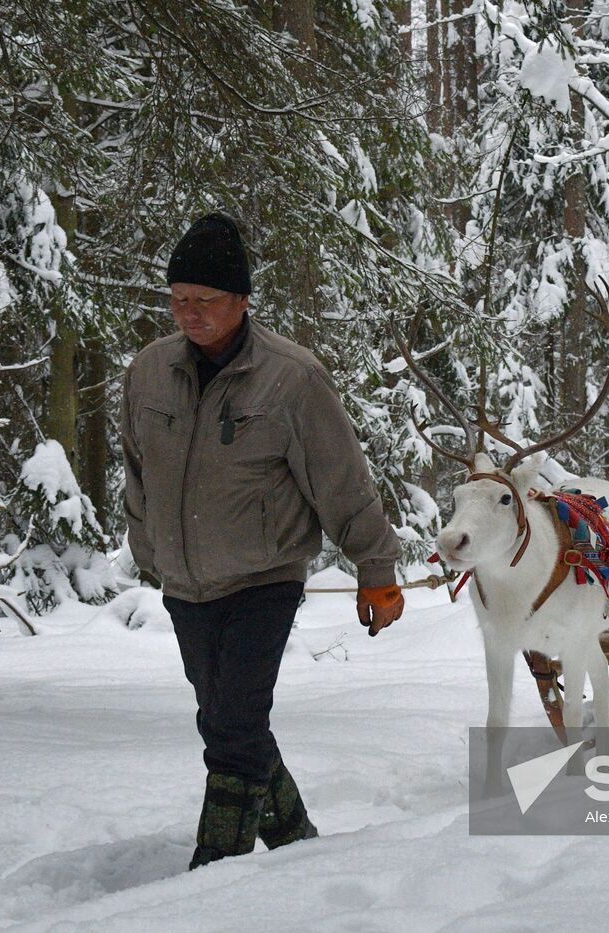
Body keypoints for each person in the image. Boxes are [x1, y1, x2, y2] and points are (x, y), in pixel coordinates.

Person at [120, 212, 405, 869]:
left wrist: (377, 567)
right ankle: (296, 847)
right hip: (185, 584)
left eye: (206, 301)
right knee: (227, 723)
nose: (189, 314)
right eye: (179, 300)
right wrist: (147, 547)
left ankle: (214, 866)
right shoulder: (149, 371)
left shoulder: (291, 379)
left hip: (264, 579)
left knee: (233, 727)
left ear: (242, 301)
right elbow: (137, 469)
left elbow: (342, 482)